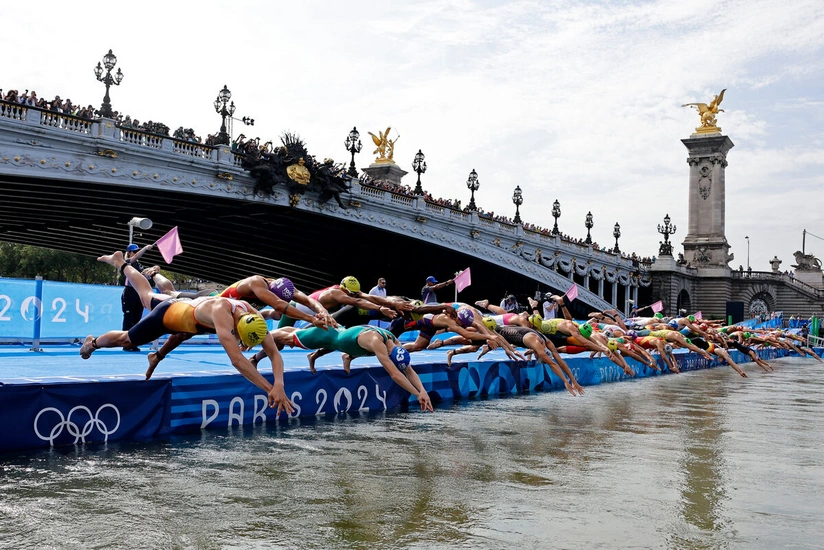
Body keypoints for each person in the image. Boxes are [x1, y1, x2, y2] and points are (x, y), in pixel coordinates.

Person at [80, 251, 293, 414]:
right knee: (129, 334)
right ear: (237, 327)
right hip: (169, 314)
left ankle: (155, 355)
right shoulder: (222, 314)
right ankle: (94, 340)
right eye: (239, 339)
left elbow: (274, 353)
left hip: (189, 319)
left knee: (183, 329)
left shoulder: (254, 316)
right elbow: (237, 360)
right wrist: (269, 389)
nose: (239, 342)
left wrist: (280, 385)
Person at [270, 325, 434, 412]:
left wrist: (422, 391)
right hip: (329, 336)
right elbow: (395, 375)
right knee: (288, 338)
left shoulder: (394, 342)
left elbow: (408, 370)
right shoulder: (377, 343)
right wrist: (416, 393)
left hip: (343, 335)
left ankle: (347, 356)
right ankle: (264, 335)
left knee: (297, 332)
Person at [121, 243, 154, 351]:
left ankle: (133, 342)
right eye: (134, 251)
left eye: (137, 251)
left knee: (137, 319)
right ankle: (125, 343)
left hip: (138, 293)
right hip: (129, 293)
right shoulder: (127, 263)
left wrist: (152, 272)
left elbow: (143, 277)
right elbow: (135, 257)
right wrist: (145, 248)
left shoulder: (139, 265)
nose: (136, 253)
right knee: (128, 318)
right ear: (129, 253)